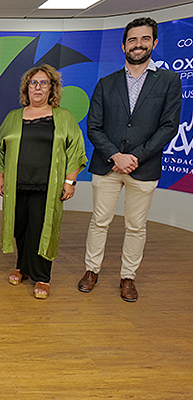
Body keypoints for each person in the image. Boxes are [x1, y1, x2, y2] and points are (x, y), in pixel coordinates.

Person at [79, 17, 182, 302]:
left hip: (143, 167)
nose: (138, 45)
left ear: (154, 43)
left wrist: (134, 157)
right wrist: (115, 155)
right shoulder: (106, 83)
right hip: (107, 165)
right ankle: (91, 270)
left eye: (144, 39)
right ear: (123, 45)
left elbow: (169, 126)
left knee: (136, 226)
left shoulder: (169, 81)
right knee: (99, 221)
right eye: (133, 40)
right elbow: (94, 127)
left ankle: (128, 277)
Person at [0, 64, 87, 299]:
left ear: (52, 89)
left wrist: (69, 182)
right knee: (21, 228)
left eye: (44, 83)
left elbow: (76, 150)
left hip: (48, 186)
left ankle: (42, 277)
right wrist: (0, 177)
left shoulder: (63, 117)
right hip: (17, 184)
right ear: (27, 88)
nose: (38, 87)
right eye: (34, 82)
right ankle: (22, 267)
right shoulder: (14, 117)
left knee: (42, 229)